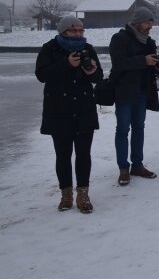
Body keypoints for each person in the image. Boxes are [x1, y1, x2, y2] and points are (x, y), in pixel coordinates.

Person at [35, 16, 103, 213]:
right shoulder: (49, 48)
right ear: (64, 31)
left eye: (81, 31)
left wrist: (93, 73)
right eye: (74, 31)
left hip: (83, 109)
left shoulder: (87, 49)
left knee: (83, 154)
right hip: (59, 110)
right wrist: (66, 64)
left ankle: (83, 194)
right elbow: (41, 75)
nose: (79, 34)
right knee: (62, 155)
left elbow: (98, 77)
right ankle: (66, 194)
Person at [109, 6, 159, 186]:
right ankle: (123, 168)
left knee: (139, 128)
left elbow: (150, 67)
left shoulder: (149, 41)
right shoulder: (119, 38)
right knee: (123, 129)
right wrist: (143, 60)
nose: (150, 26)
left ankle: (138, 165)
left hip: (142, 91)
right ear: (137, 22)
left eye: (151, 22)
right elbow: (118, 64)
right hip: (124, 92)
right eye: (148, 22)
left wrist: (158, 68)